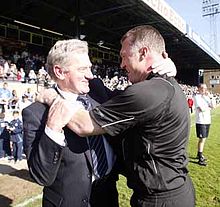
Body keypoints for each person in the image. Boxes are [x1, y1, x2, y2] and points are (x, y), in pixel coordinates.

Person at [40, 25, 195, 207]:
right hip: (171, 191)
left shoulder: (148, 92)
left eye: (123, 56)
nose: (121, 64)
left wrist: (52, 97)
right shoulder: (164, 85)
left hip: (161, 200)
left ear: (143, 53)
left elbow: (83, 125)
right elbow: (114, 98)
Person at [22, 39, 120, 207]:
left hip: (107, 197)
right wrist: (52, 129)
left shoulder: (100, 96)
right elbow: (41, 176)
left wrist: (163, 70)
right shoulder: (36, 113)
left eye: (90, 67)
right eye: (83, 69)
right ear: (59, 72)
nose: (90, 75)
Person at [194, 83, 214, 166]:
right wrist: (208, 107)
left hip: (207, 120)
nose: (204, 90)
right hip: (201, 121)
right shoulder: (196, 97)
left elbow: (213, 106)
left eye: (205, 88)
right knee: (202, 139)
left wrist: (211, 97)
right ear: (198, 89)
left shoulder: (206, 97)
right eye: (202, 88)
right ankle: (200, 158)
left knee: (204, 139)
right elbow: (202, 109)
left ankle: (199, 153)